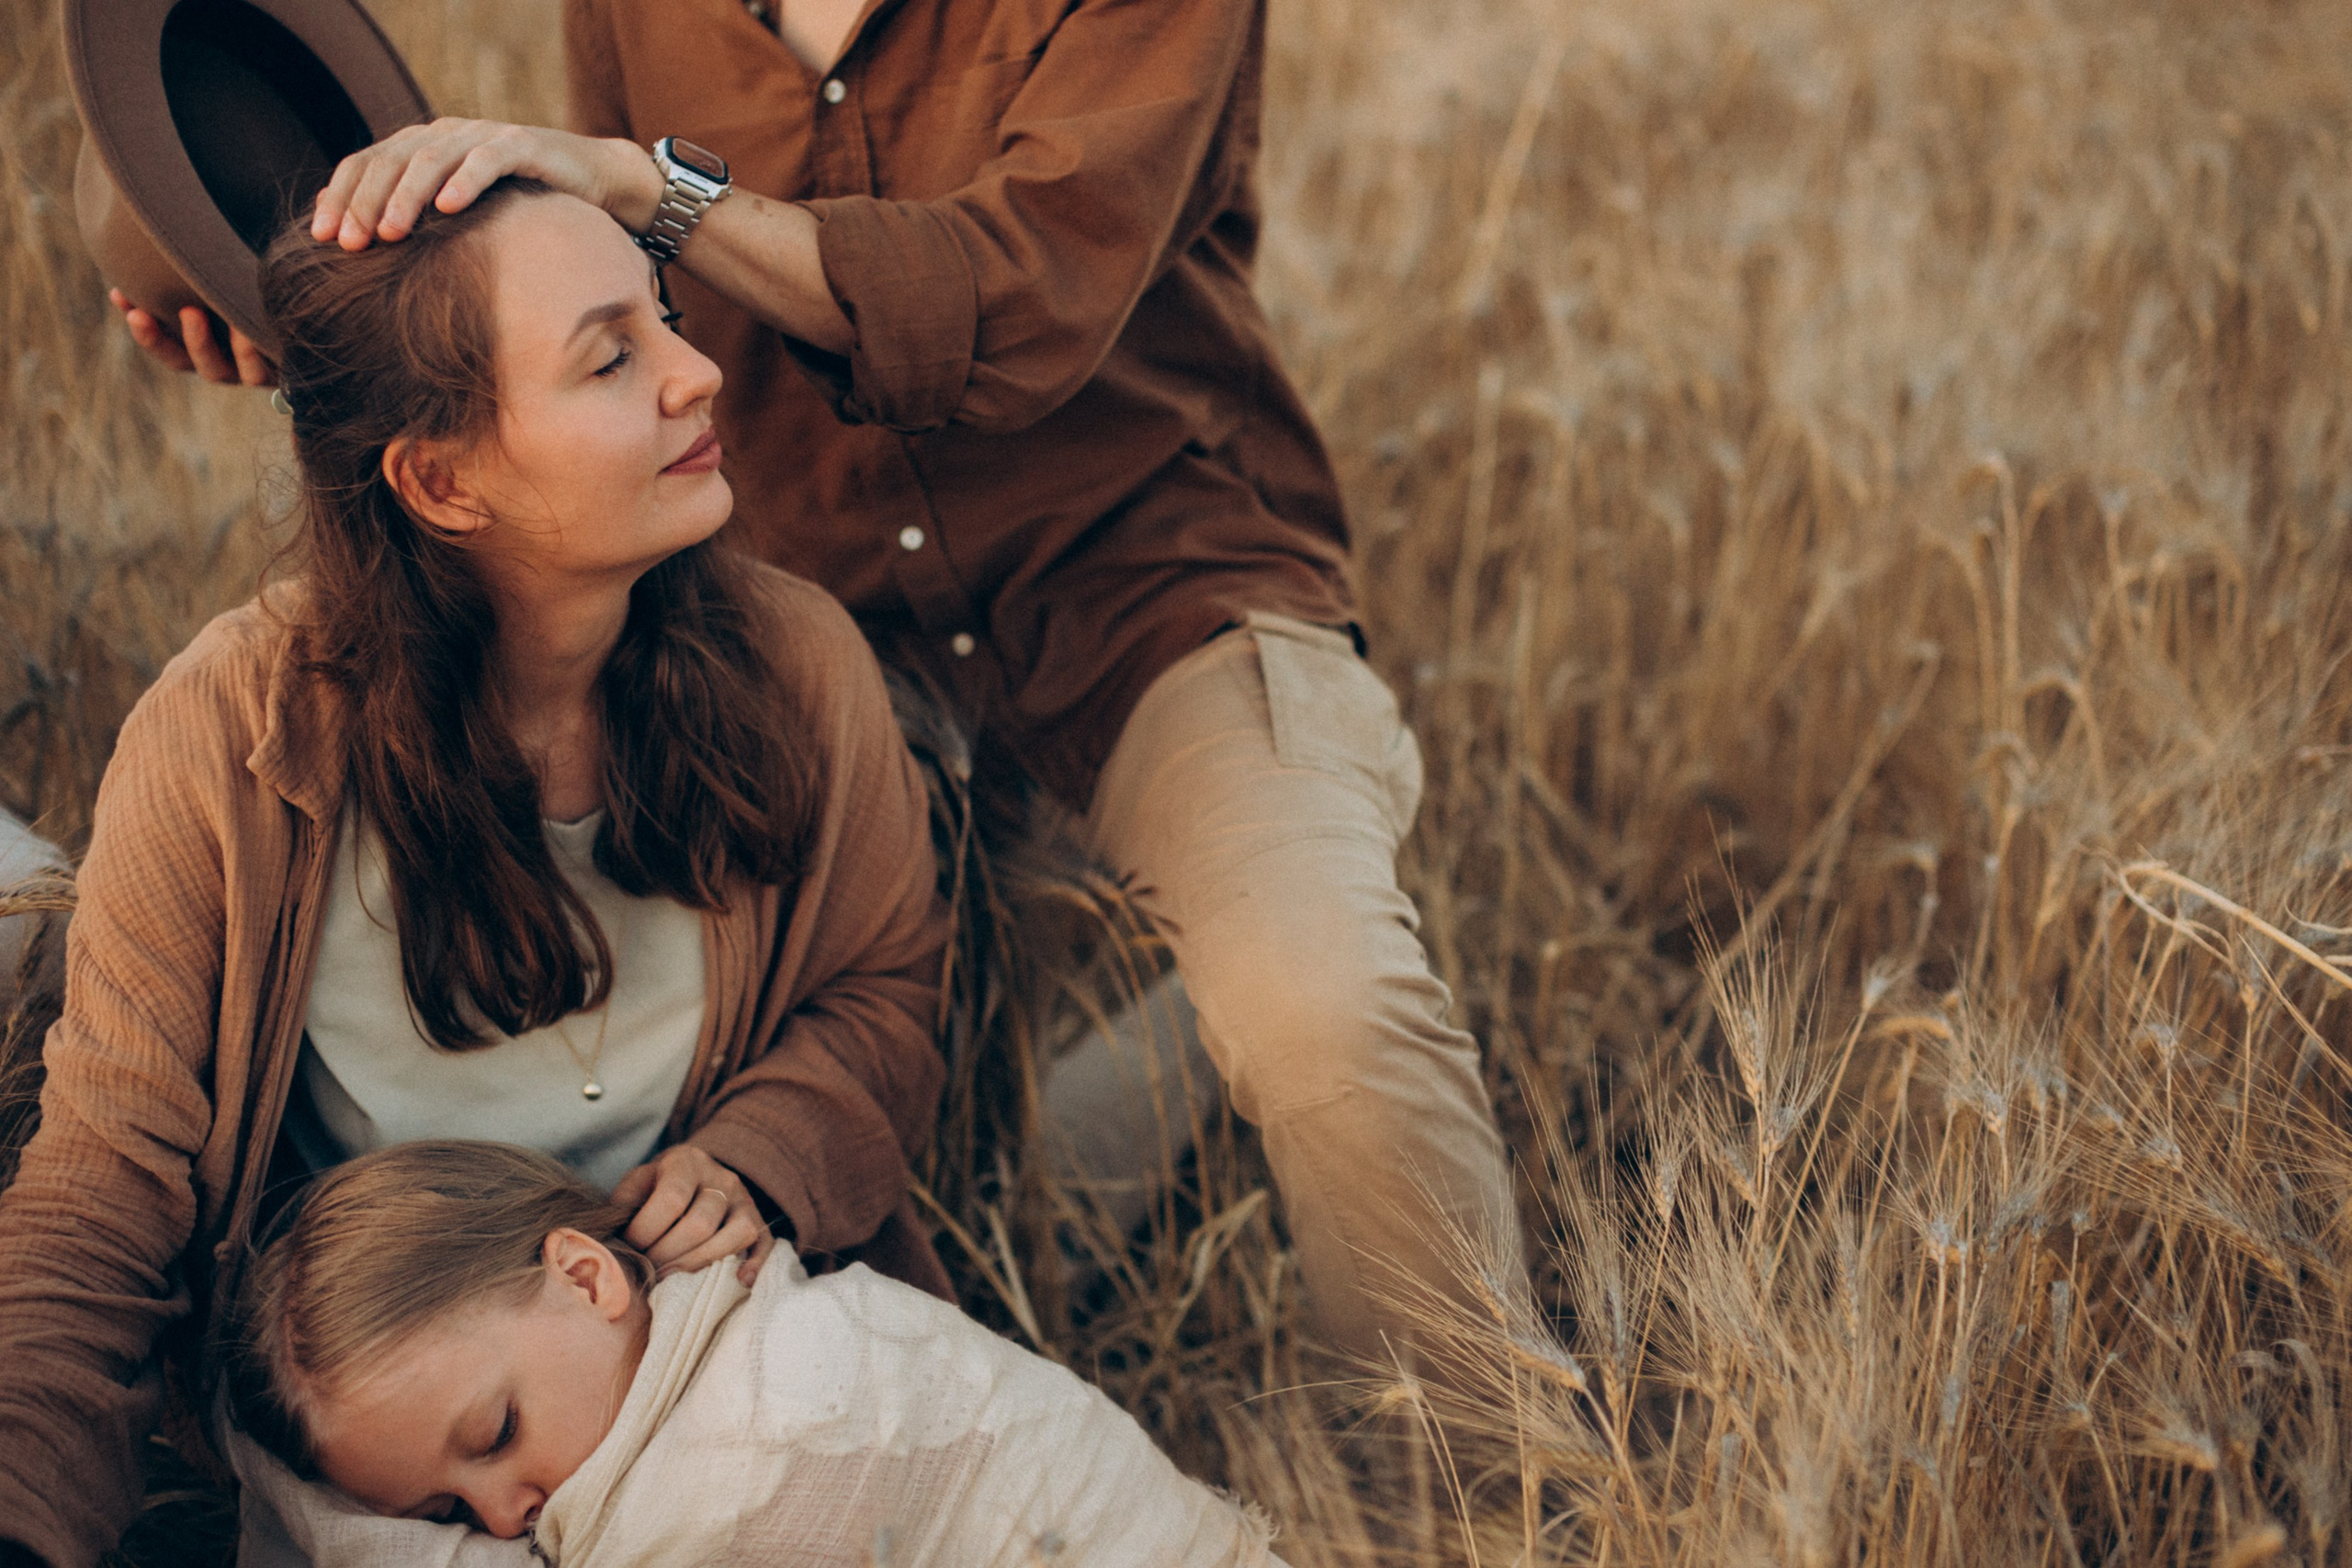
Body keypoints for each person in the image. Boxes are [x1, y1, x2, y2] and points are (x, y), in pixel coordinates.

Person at [121, 0, 1525, 1370]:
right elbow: (576, 312)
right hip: (830, 636)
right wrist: (313, 338)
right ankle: (1177, 1062)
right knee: (938, 1191)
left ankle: (1495, 1503)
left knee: (1320, 1000)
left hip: (1150, 583)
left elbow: (1016, 292)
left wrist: (645, 188)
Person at [0, 180, 950, 1568]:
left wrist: (774, 1147)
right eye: (612, 355)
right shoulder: (228, 739)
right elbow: (102, 1193)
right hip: (403, 1476)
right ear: (444, 481)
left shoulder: (799, 665)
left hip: (719, 1382)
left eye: (664, 320)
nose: (698, 373)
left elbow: (886, 989)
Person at [222, 1139, 1284, 1567]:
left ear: (589, 1278)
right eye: (448, 1518)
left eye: (495, 1437)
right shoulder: (688, 1354)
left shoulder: (760, 1436)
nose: (506, 1518)